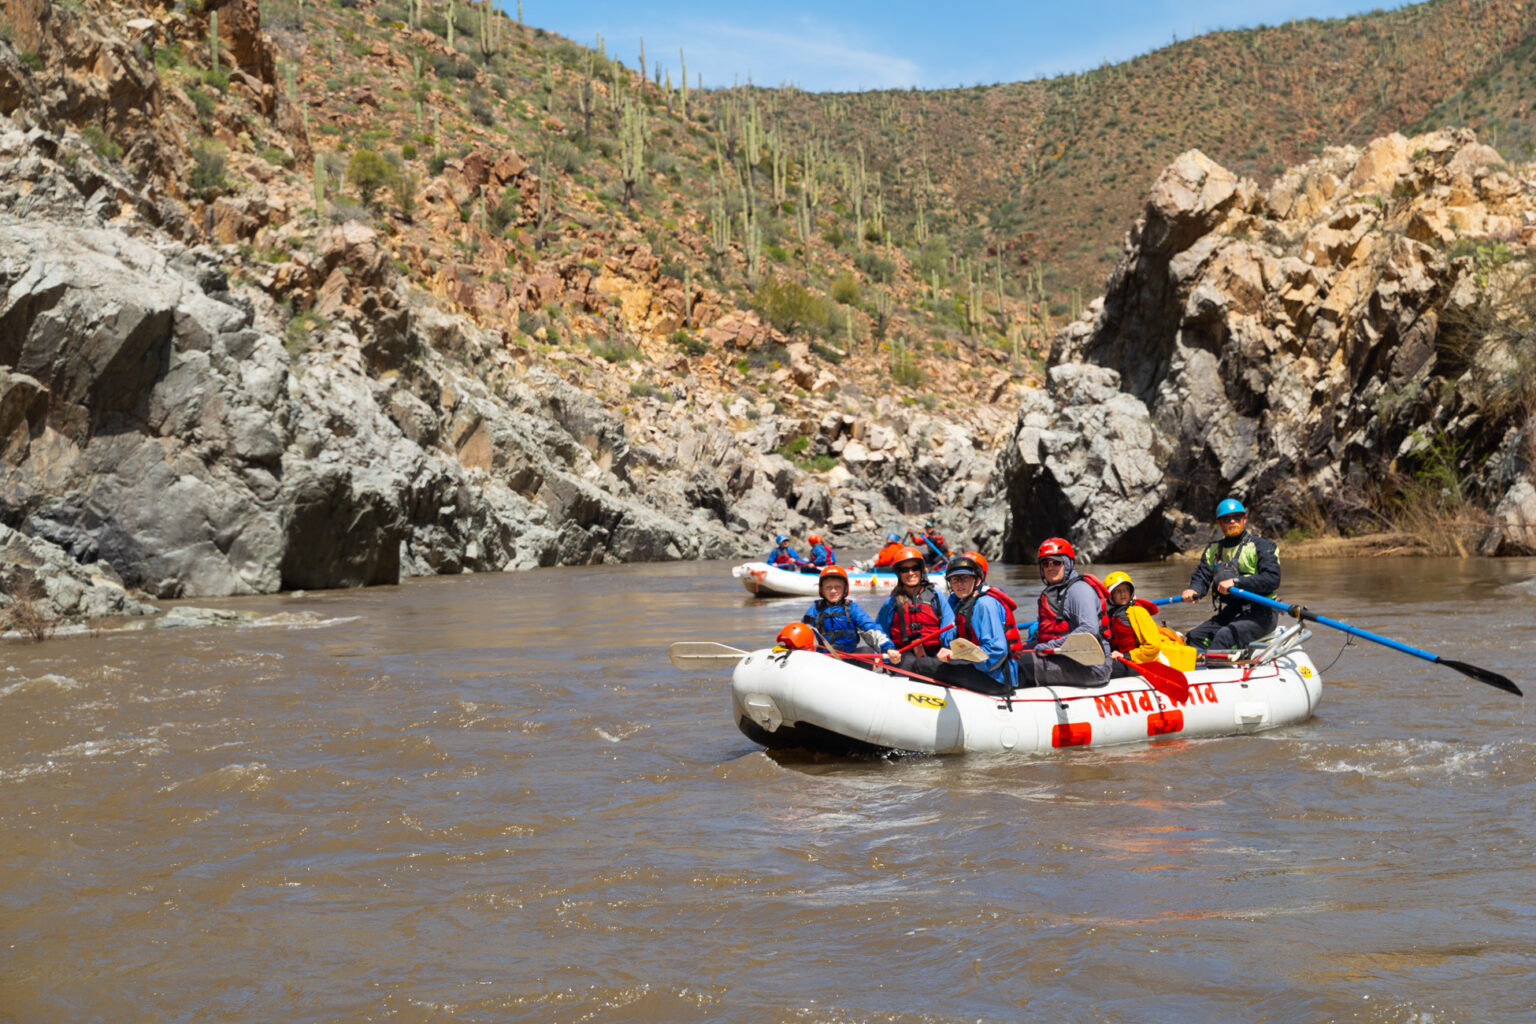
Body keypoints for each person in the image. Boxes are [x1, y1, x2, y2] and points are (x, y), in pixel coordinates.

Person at [1179, 498, 1281, 650]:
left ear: (1244, 519)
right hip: (1232, 611)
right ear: (1220, 523)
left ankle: (1218, 667)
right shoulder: (1213, 550)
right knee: (1194, 637)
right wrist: (1194, 589)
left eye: (1237, 517)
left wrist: (1237, 582)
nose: (1232, 521)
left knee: (1224, 636)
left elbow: (1272, 579)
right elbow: (1202, 576)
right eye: (1227, 519)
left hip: (1262, 611)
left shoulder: (1263, 546)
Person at [1018, 537, 1112, 688]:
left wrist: (1049, 645)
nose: (1050, 567)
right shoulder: (1055, 593)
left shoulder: (1079, 590)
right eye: (1045, 563)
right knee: (1013, 655)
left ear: (1068, 564)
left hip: (1091, 666)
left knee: (1020, 663)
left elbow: (1089, 630)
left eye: (1056, 562)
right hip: (1062, 658)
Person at [928, 555, 1019, 695]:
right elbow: (952, 638)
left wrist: (955, 654)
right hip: (981, 669)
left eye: (965, 578)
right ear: (950, 584)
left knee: (921, 666)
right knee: (928, 661)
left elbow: (996, 651)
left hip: (996, 678)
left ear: (976, 580)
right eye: (955, 579)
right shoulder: (964, 603)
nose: (959, 584)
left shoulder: (985, 604)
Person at [876, 547, 955, 672]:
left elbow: (949, 627)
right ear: (899, 574)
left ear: (921, 570)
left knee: (928, 664)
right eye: (905, 570)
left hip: (936, 653)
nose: (910, 573)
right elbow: (880, 632)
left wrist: (949, 649)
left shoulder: (936, 596)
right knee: (913, 662)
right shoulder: (891, 602)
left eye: (915, 568)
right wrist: (884, 653)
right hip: (903, 655)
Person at [1104, 570, 1196, 675]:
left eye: (1126, 589)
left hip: (1141, 662)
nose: (1123, 593)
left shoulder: (1138, 612)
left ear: (1131, 592)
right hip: (1122, 659)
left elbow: (1153, 647)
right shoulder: (1108, 616)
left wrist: (1126, 656)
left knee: (1104, 669)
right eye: (1118, 591)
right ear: (1110, 595)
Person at [801, 566, 892, 657]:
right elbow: (803, 630)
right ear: (822, 590)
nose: (833, 591)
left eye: (838, 587)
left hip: (849, 658)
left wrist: (888, 648)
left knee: (866, 650)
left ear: (845, 589)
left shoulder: (852, 609)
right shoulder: (815, 610)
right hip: (824, 659)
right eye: (828, 587)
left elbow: (871, 628)